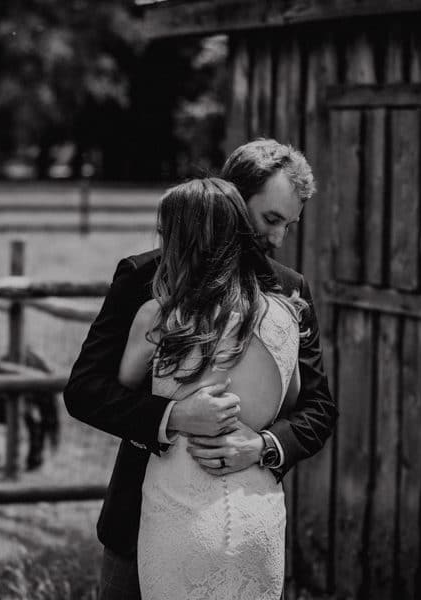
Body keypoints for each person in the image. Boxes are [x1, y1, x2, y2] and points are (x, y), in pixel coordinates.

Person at [63, 139, 336, 599]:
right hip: (140, 523)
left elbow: (319, 407)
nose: (277, 239)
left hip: (244, 526)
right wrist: (171, 417)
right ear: (231, 197)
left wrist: (264, 445)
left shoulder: (290, 290)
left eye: (289, 226)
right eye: (271, 219)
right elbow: (85, 390)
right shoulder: (144, 278)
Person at [120, 176, 308, 598]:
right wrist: (258, 438)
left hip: (180, 516)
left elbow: (124, 384)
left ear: (180, 240)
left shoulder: (161, 316)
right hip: (257, 513)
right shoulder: (284, 312)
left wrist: (177, 409)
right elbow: (292, 399)